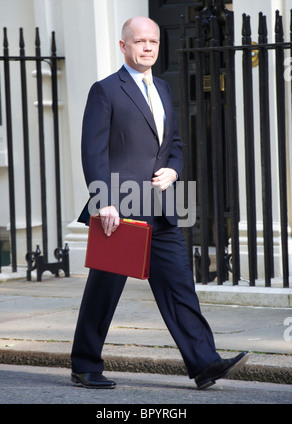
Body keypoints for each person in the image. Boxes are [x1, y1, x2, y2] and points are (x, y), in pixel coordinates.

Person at [71, 16, 249, 390]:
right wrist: (103, 201)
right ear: (124, 46)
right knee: (105, 289)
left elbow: (175, 144)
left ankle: (204, 363)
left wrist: (174, 171)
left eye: (153, 41)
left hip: (163, 207)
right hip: (119, 209)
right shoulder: (105, 90)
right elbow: (93, 151)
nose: (148, 47)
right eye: (140, 41)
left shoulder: (164, 88)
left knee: (179, 285)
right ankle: (85, 364)